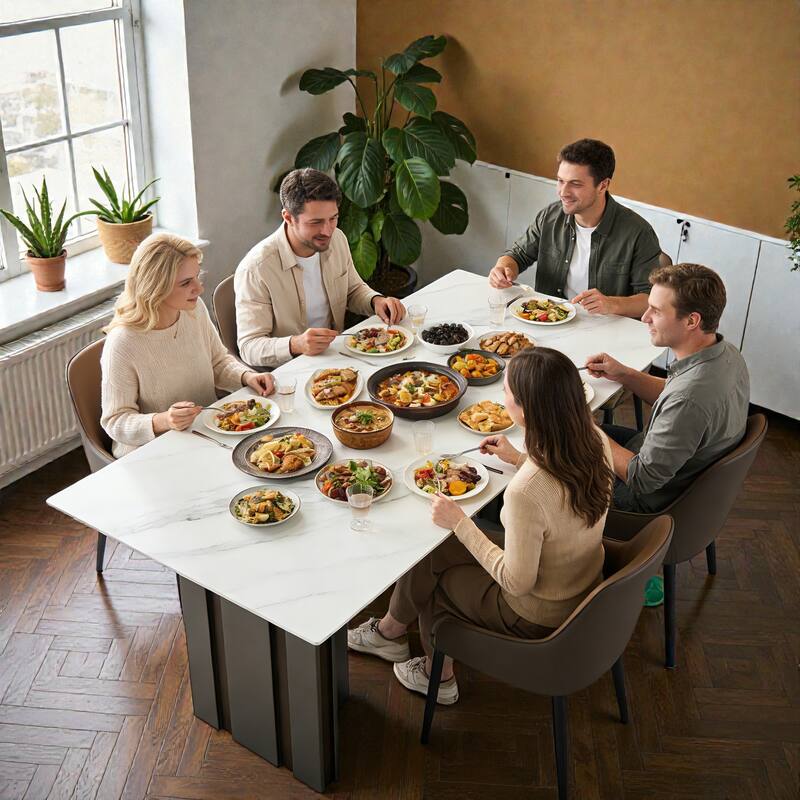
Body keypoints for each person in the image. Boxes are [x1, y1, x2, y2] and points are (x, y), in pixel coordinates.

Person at [347, 348, 614, 705]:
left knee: (437, 583)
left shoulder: (525, 493)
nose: (501, 398)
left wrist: (460, 522)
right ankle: (389, 631)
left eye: (505, 392)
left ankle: (437, 676)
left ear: (525, 409)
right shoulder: (593, 438)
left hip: (537, 611)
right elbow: (559, 496)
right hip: (580, 580)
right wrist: (517, 458)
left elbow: (517, 582)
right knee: (433, 548)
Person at [586, 263, 749, 513]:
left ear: (692, 321)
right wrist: (625, 374)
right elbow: (675, 394)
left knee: (545, 451)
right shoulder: (725, 354)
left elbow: (641, 477)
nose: (644, 318)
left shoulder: (689, 399)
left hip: (638, 500)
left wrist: (585, 427)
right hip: (666, 466)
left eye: (657, 311)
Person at [101, 233, 274, 458]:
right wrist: (164, 420)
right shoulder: (123, 342)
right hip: (153, 453)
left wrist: (246, 377)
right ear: (155, 287)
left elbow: (218, 361)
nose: (199, 289)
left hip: (207, 434)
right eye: (186, 283)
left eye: (197, 277)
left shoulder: (193, 309)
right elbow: (115, 421)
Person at [235, 168, 406, 367]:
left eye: (333, 218)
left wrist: (375, 301)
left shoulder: (337, 239)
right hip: (291, 371)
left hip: (339, 357)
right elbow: (249, 347)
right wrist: (295, 344)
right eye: (315, 222)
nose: (327, 231)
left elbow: (353, 290)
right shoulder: (256, 269)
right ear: (288, 217)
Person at [489, 138, 662, 319]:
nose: (563, 192)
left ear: (603, 185)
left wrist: (611, 303)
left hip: (606, 329)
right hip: (548, 321)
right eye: (560, 181)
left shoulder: (638, 233)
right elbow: (517, 255)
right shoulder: (550, 216)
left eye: (575, 184)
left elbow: (651, 300)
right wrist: (503, 268)